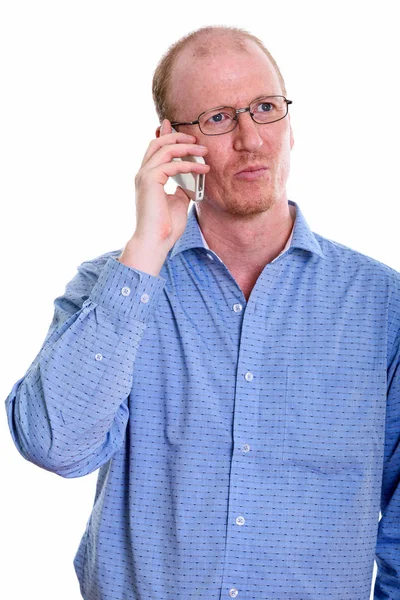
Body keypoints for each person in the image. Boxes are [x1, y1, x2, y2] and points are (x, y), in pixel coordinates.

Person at [5, 24, 400, 600]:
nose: (250, 139)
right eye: (218, 117)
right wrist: (143, 253)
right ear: (171, 143)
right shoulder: (111, 288)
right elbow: (53, 446)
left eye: (265, 108)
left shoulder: (382, 306)